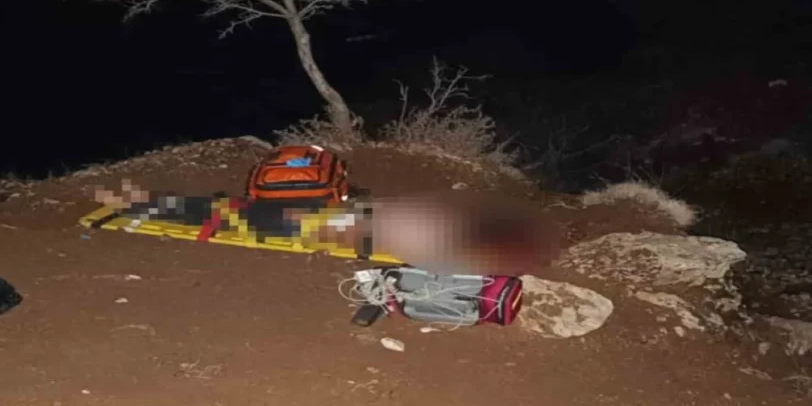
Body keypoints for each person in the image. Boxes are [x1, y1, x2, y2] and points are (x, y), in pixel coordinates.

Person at [92, 180, 558, 277]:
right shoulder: (443, 232)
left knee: (232, 212)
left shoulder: (442, 235)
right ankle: (142, 202)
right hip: (330, 219)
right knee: (233, 211)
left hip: (323, 223)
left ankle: (143, 203)